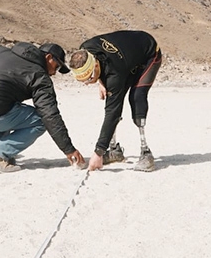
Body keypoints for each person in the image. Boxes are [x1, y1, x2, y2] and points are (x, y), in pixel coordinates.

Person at [0, 41, 86, 174]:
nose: (54, 73)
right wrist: (68, 149)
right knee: (40, 121)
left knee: (10, 107)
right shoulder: (39, 76)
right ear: (49, 58)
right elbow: (49, 115)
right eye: (57, 67)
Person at [68, 30, 162, 172]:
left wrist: (98, 152)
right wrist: (100, 81)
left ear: (96, 66)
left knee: (136, 97)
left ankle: (146, 153)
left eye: (89, 78)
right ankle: (114, 150)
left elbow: (113, 113)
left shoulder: (114, 75)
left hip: (148, 54)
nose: (87, 83)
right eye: (83, 81)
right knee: (111, 97)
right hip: (126, 59)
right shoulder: (85, 50)